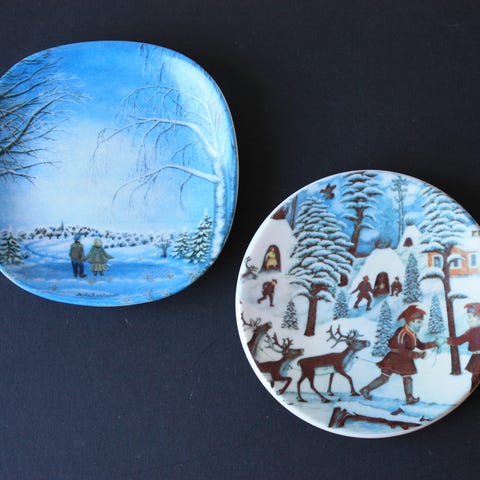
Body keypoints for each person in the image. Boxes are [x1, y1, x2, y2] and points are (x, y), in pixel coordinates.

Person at [360, 305, 440, 404]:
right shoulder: (401, 332)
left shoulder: (412, 333)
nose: (421, 325)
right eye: (419, 322)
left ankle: (409, 398)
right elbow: (401, 350)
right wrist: (417, 355)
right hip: (394, 359)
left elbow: (421, 346)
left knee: (407, 378)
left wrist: (434, 344)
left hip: (405, 360)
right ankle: (365, 390)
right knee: (384, 378)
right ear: (411, 322)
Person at [448, 303, 480, 391]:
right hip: (476, 358)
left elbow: (458, 341)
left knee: (475, 379)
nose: (467, 320)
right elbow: (458, 340)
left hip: (478, 359)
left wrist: (446, 340)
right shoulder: (471, 331)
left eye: (470, 317)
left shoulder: (472, 331)